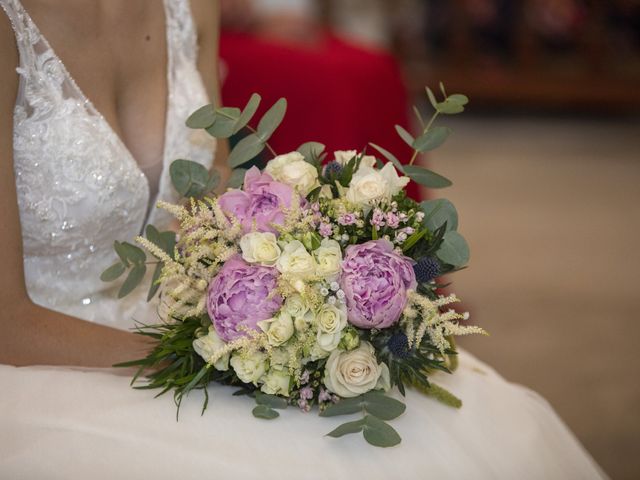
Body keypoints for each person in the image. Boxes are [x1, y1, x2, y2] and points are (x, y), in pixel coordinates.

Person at [0, 1, 608, 478]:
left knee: (456, 432)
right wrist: (203, 364)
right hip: (48, 355)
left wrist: (302, 288)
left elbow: (212, 212)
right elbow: (7, 320)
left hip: (188, 316)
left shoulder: (189, 3)